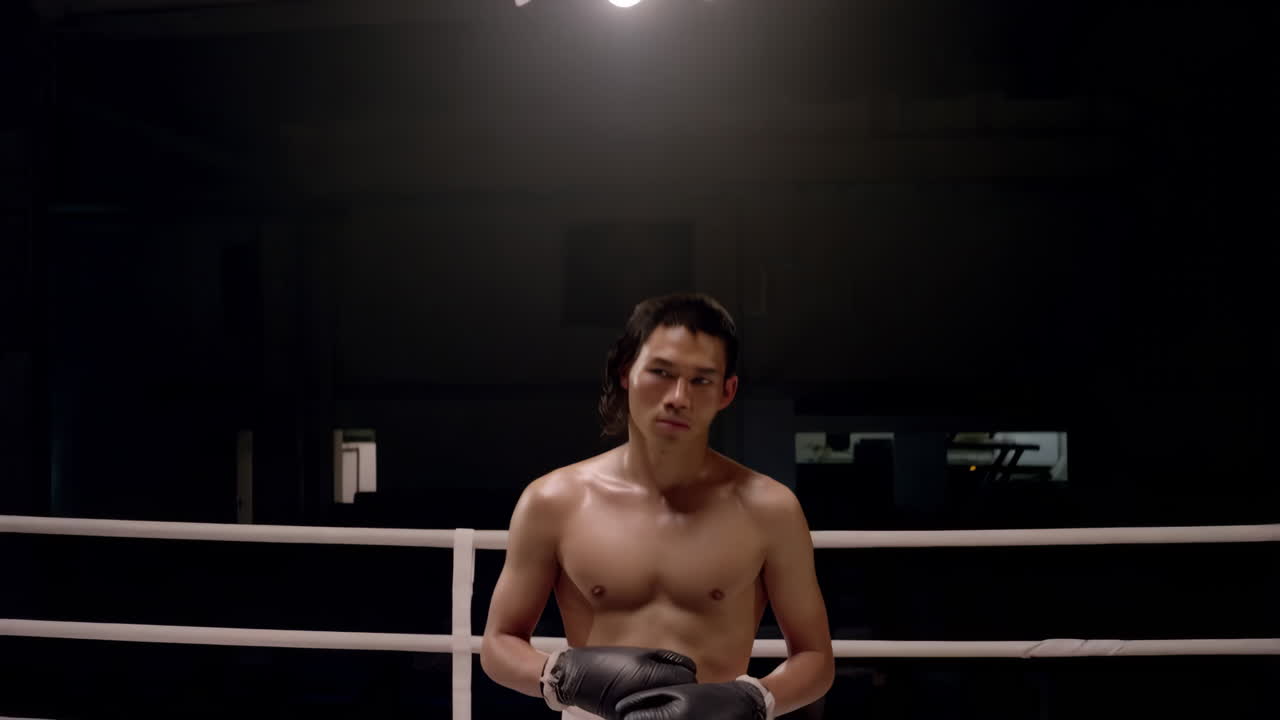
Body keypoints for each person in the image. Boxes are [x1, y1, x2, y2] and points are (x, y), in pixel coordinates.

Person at [481, 293, 834, 719]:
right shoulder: (553, 500)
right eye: (662, 373)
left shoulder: (770, 509)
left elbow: (815, 658)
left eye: (701, 380)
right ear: (626, 371)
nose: (678, 397)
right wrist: (559, 674)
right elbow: (498, 644)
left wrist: (754, 699)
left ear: (727, 391)